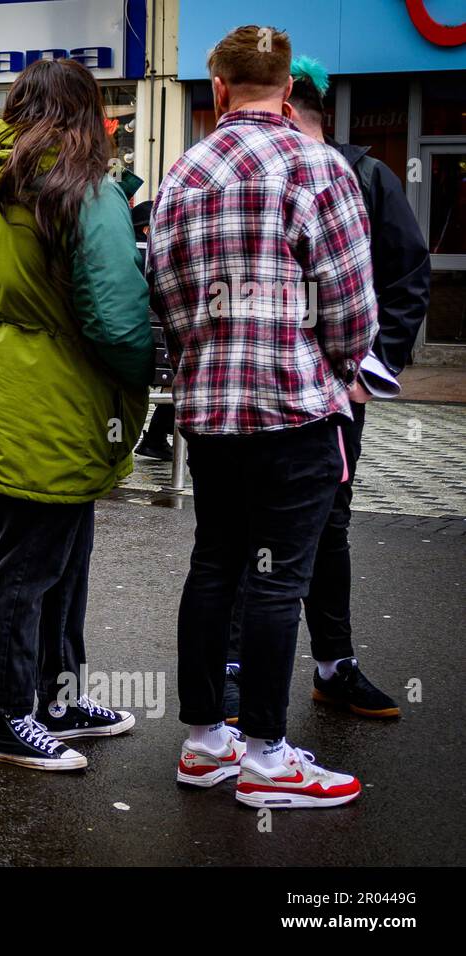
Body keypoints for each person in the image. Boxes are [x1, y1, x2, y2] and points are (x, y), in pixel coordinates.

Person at [149, 26, 377, 808]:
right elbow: (349, 305)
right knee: (278, 581)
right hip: (293, 409)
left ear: (216, 89)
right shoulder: (320, 167)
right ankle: (269, 759)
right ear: (288, 90)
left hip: (211, 412)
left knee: (215, 564)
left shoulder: (184, 172)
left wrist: (202, 361)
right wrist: (340, 369)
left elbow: (169, 300)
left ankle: (207, 741)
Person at [0, 60, 152, 771]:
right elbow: (118, 320)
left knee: (55, 555)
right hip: (53, 400)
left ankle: (54, 697)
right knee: (28, 566)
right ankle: (8, 717)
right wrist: (141, 377)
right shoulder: (85, 189)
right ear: (87, 114)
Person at [221, 55, 431, 724]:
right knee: (252, 529)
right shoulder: (254, 171)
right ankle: (240, 677)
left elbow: (405, 276)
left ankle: (329, 666)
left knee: (322, 526)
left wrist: (371, 368)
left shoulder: (364, 176)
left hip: (329, 391)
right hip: (261, 383)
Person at [128, 199, 174, 461]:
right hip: (157, 354)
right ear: (147, 229)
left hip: (130, 348)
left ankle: (153, 438)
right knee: (179, 376)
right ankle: (156, 437)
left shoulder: (122, 250)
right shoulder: (152, 252)